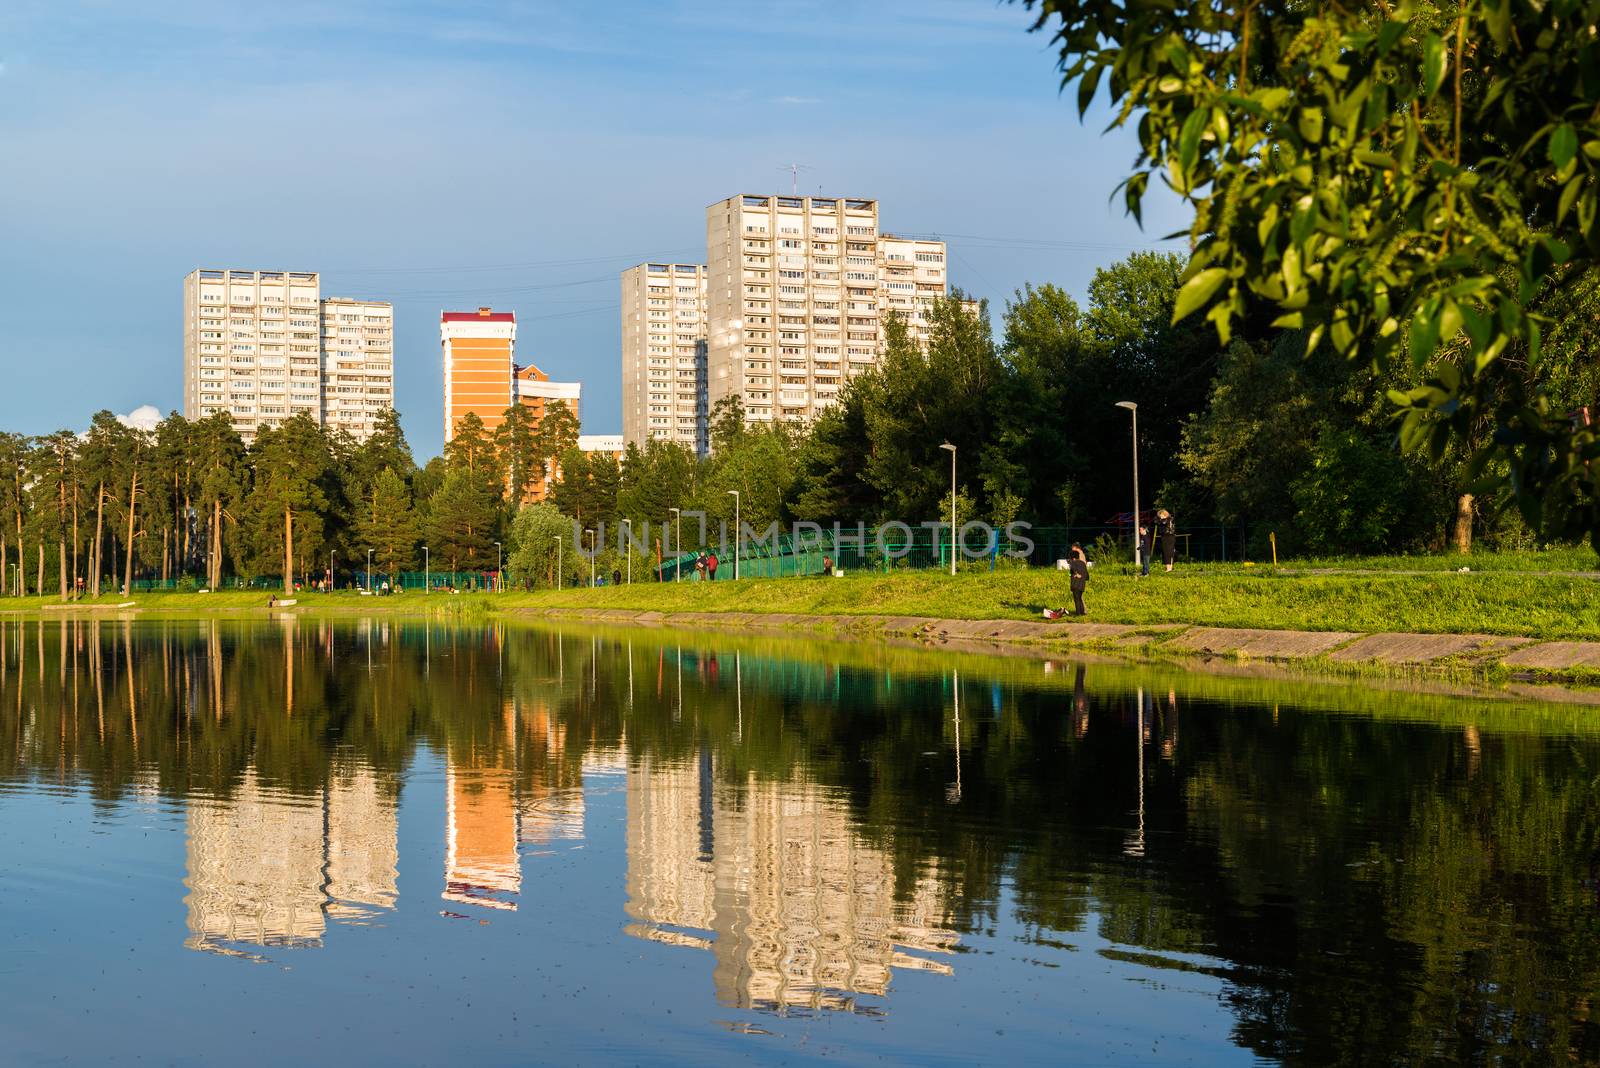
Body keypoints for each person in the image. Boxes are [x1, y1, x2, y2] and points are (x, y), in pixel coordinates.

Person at [1044, 542, 1090, 619]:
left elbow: (1075, 568)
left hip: (1076, 583)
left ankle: (1079, 613)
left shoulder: (1078, 556)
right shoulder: (1081, 557)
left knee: (1077, 599)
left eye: (1072, 549)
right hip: (1081, 582)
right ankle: (1082, 612)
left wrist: (1076, 573)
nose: (1072, 551)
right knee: (1079, 597)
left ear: (1076, 548)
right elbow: (1084, 571)